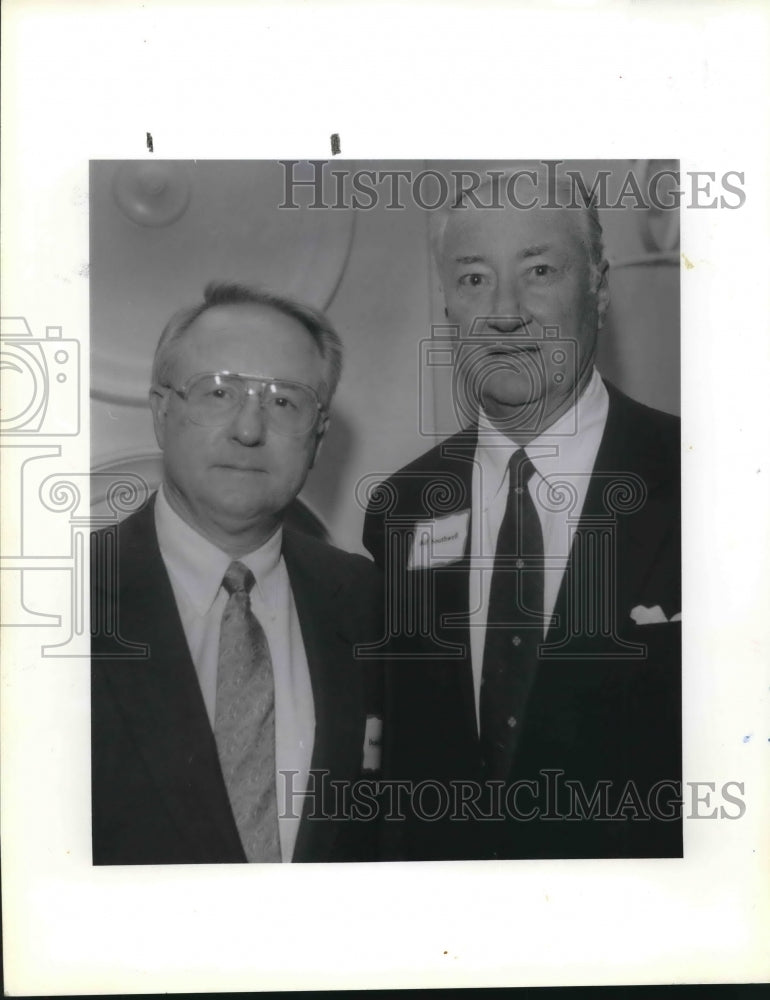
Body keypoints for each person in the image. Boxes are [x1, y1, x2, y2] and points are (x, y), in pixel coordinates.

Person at [363, 167, 682, 860]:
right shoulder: (401, 511)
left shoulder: (704, 480)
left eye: (539, 270)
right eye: (474, 278)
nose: (505, 309)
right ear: (447, 303)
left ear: (599, 289)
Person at [92, 282, 383, 864]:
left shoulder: (376, 605)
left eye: (284, 402)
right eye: (218, 392)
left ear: (318, 438)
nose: (249, 430)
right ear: (161, 411)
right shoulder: (51, 605)